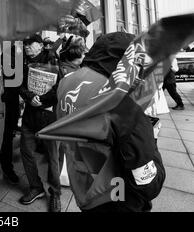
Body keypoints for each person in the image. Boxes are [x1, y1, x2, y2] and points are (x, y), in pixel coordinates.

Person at [56, 32, 165, 212]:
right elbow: (149, 185)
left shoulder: (67, 81)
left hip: (82, 185)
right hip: (116, 196)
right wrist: (151, 140)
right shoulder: (123, 102)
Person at [18, 34, 62, 212]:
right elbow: (19, 85)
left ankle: (55, 193)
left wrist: (42, 100)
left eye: (31, 43)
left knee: (53, 156)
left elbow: (60, 87)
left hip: (49, 116)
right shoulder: (22, 63)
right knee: (26, 151)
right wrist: (30, 98)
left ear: (40, 45)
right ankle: (36, 187)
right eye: (25, 44)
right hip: (30, 114)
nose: (27, 46)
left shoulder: (53, 60)